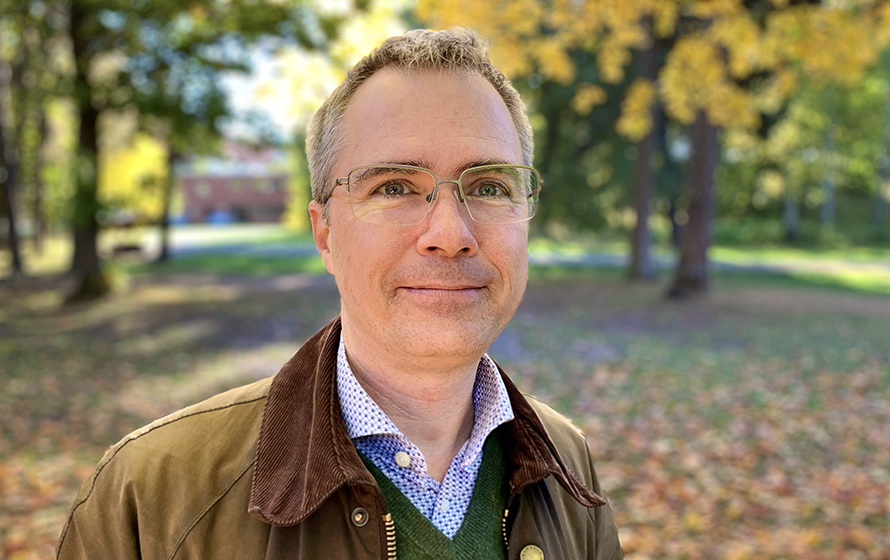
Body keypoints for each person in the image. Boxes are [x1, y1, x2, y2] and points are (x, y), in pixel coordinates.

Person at [56, 28, 623, 559]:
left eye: (491, 186)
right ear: (325, 233)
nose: (450, 235)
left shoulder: (568, 466)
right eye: (395, 186)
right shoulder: (152, 495)